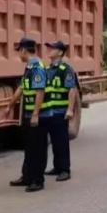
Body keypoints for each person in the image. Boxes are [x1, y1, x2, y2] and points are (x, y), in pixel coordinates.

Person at [4, 38, 48, 192]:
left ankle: (37, 180)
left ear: (24, 50)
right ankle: (27, 176)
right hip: (28, 112)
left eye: (19, 51)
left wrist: (36, 113)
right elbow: (21, 88)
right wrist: (10, 105)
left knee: (37, 148)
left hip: (37, 115)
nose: (19, 55)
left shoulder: (37, 67)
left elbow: (39, 91)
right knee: (29, 147)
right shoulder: (29, 67)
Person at [41, 40, 78, 182]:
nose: (49, 50)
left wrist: (70, 109)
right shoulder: (48, 69)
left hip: (60, 111)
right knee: (54, 141)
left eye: (52, 48)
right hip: (49, 111)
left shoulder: (66, 69)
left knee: (61, 141)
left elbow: (71, 89)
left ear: (60, 52)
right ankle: (57, 167)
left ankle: (64, 169)